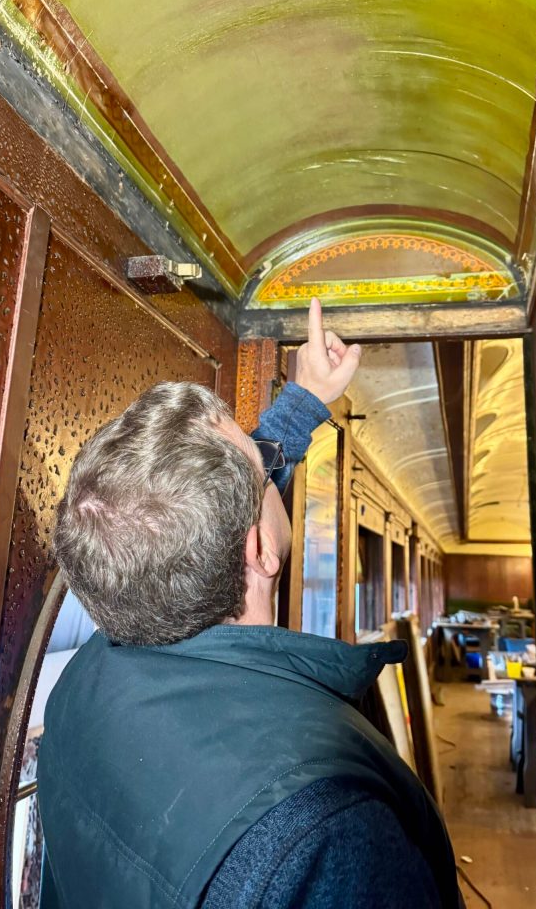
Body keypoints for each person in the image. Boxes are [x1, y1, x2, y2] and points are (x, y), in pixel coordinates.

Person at [37, 299, 461, 909]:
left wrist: (303, 400)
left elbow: (213, 520)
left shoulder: (80, 688)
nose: (269, 468)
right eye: (264, 470)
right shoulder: (330, 831)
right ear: (258, 550)